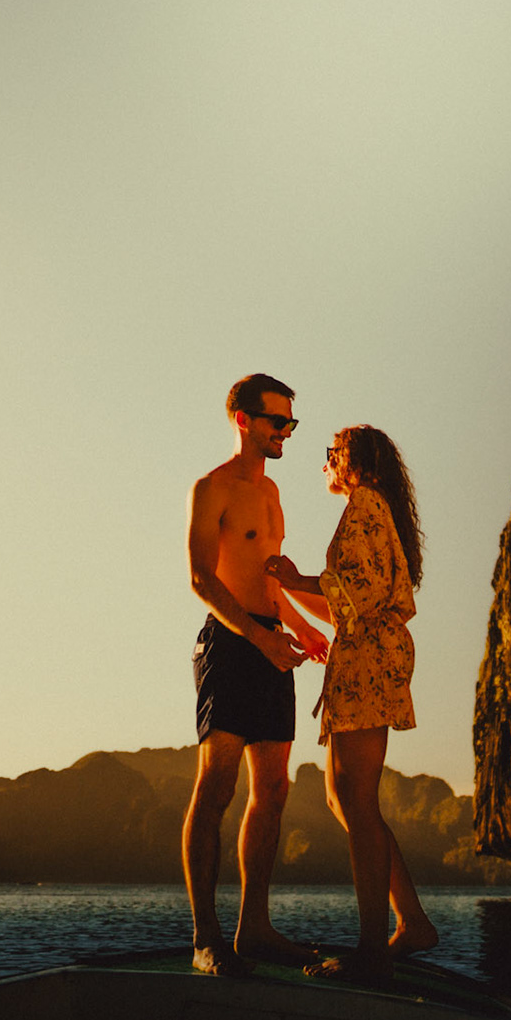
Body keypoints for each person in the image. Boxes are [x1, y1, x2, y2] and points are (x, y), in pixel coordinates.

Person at [265, 424, 438, 985]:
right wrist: (293, 589)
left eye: (331, 454)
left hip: (368, 660)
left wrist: (293, 579)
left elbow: (356, 589)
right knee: (346, 800)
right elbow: (347, 607)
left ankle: (372, 950)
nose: (325, 464)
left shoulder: (365, 503)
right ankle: (410, 923)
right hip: (363, 652)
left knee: (356, 801)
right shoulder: (374, 507)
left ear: (353, 461)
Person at [183, 373, 330, 977]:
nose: (286, 433)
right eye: (278, 421)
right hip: (231, 644)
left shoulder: (272, 496)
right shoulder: (211, 488)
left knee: (272, 790)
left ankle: (255, 929)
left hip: (272, 644)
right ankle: (205, 938)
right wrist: (260, 636)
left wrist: (297, 626)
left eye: (291, 423)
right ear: (244, 419)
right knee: (216, 787)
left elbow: (269, 576)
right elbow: (201, 579)